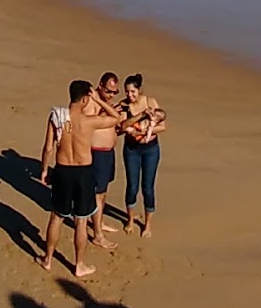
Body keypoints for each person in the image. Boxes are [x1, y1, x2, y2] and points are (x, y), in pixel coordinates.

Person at [37, 79, 123, 277]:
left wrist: (43, 170)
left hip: (62, 169)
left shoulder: (56, 117)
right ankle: (79, 265)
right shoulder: (89, 121)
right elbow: (116, 118)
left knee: (56, 217)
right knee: (81, 221)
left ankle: (48, 259)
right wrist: (99, 101)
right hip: (83, 172)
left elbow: (48, 147)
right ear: (86, 98)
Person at [119, 74, 165, 237]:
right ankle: (130, 219)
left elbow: (162, 126)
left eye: (132, 92)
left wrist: (145, 131)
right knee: (132, 186)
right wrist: (140, 116)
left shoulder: (151, 102)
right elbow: (123, 125)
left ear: (139, 90)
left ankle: (147, 224)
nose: (129, 95)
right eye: (127, 92)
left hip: (150, 149)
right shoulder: (125, 106)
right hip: (132, 149)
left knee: (148, 187)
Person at [86, 72, 123, 248]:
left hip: (108, 152)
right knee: (97, 193)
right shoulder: (90, 100)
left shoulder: (105, 101)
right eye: (108, 91)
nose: (111, 95)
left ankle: (98, 222)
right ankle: (97, 235)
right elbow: (88, 122)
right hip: (96, 152)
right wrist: (105, 107)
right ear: (100, 85)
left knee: (103, 190)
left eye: (115, 92)